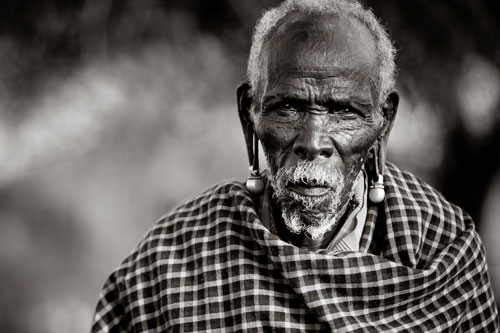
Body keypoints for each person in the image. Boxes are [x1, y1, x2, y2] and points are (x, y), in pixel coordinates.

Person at [91, 0, 498, 331]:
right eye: (288, 107)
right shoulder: (171, 262)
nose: (313, 142)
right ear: (249, 114)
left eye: (342, 111)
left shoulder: (442, 249)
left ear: (383, 121)